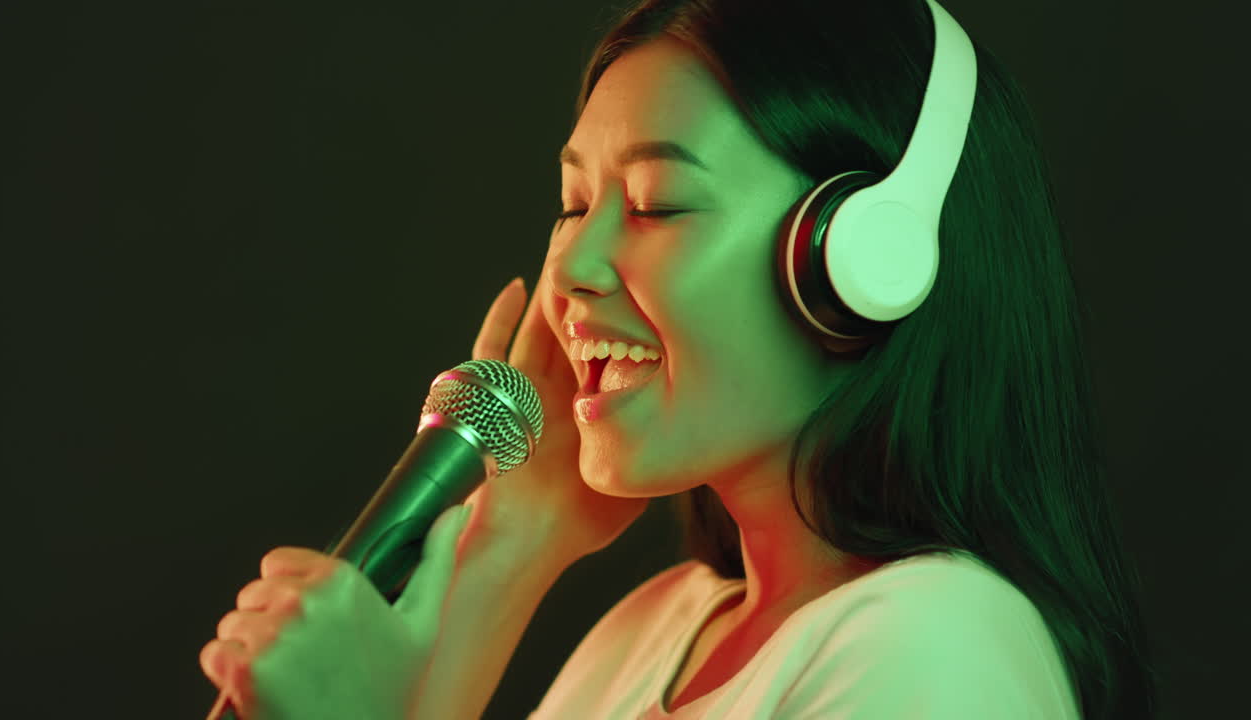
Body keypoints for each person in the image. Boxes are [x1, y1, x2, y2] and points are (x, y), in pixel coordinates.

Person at [201, 0, 1158, 718]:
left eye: (654, 203)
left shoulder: (938, 649)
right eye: (574, 203)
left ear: (862, 259)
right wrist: (519, 539)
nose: (569, 265)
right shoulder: (656, 632)